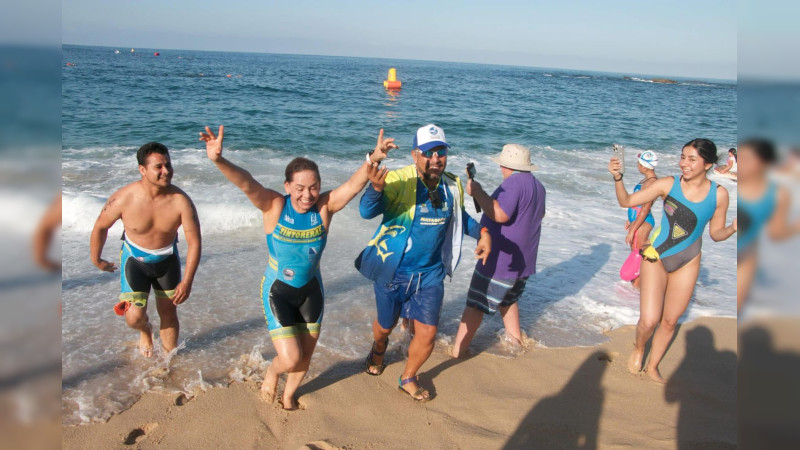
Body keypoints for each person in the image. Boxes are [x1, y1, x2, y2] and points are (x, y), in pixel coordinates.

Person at [200, 125, 394, 410]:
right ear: (288, 186)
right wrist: (218, 160)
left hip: (312, 291)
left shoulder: (325, 208)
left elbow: (354, 184)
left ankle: (289, 395)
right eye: (300, 188)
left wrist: (374, 157)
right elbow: (247, 183)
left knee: (305, 356)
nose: (308, 195)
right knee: (290, 358)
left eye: (314, 187)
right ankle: (272, 372)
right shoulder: (274, 206)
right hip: (277, 290)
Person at [355, 124, 491, 402]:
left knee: (428, 333)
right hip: (393, 271)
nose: (435, 159)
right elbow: (366, 211)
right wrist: (376, 188)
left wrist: (483, 233)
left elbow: (461, 218)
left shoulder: (451, 186)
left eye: (440, 152)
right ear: (415, 154)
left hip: (430, 274)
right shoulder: (399, 180)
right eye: (428, 153)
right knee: (385, 325)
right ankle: (379, 345)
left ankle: (408, 376)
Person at [608, 138, 736, 383]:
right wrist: (617, 178)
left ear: (707, 164)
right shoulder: (668, 184)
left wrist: (732, 228)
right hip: (656, 257)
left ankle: (653, 366)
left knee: (670, 321)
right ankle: (639, 348)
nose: (684, 164)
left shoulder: (719, 195)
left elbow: (716, 234)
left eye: (691, 159)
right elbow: (626, 202)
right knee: (649, 320)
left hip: (688, 261)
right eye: (682, 157)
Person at [90, 142, 201, 358]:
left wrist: (187, 282)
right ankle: (146, 331)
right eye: (158, 166)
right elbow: (100, 227)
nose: (166, 171)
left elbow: (195, 242)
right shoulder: (124, 198)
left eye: (168, 165)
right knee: (133, 318)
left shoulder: (181, 201)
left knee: (169, 313)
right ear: (143, 169)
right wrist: (97, 259)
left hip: (167, 260)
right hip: (135, 260)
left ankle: (169, 363)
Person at [451, 144, 545, 358]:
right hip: (523, 261)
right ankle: (516, 343)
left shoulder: (513, 184)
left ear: (505, 165)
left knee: (475, 304)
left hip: (500, 260)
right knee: (508, 300)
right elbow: (539, 215)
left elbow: (500, 214)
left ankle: (458, 350)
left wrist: (477, 191)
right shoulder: (538, 186)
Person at [736, 139, 800, 312]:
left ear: (764, 163)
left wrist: (796, 227)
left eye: (747, 158)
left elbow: (776, 233)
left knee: (738, 310)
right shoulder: (726, 188)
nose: (740, 163)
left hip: (746, 258)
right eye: (739, 157)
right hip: (724, 252)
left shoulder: (778, 193)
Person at [621, 151, 659, 289]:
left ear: (644, 166)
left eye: (639, 163)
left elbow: (645, 209)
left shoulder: (652, 183)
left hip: (643, 222)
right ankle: (635, 287)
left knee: (639, 255)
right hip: (637, 221)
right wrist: (630, 220)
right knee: (635, 253)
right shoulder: (646, 180)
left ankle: (638, 289)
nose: (637, 165)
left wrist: (633, 229)